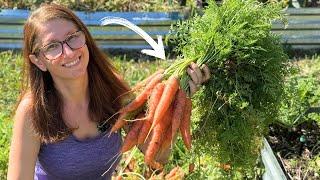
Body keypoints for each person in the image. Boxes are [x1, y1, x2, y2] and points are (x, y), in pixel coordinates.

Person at [7, 3, 210, 180]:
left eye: (72, 37)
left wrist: (176, 101)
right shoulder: (32, 110)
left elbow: (157, 156)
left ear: (84, 37)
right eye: (52, 46)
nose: (68, 52)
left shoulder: (112, 89)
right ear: (39, 61)